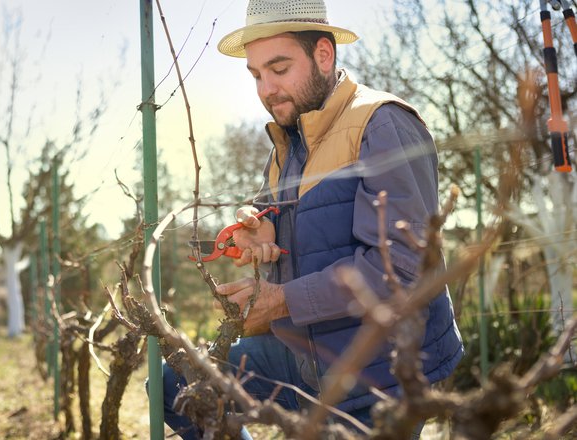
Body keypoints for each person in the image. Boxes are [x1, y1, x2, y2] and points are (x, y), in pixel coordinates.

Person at [158, 0, 464, 438]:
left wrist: (279, 301)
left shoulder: (383, 125)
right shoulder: (289, 143)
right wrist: (262, 226)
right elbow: (298, 235)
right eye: (257, 75)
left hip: (382, 370)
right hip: (308, 356)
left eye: (279, 69)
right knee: (179, 385)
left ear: (323, 54)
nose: (266, 89)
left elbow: (400, 270)